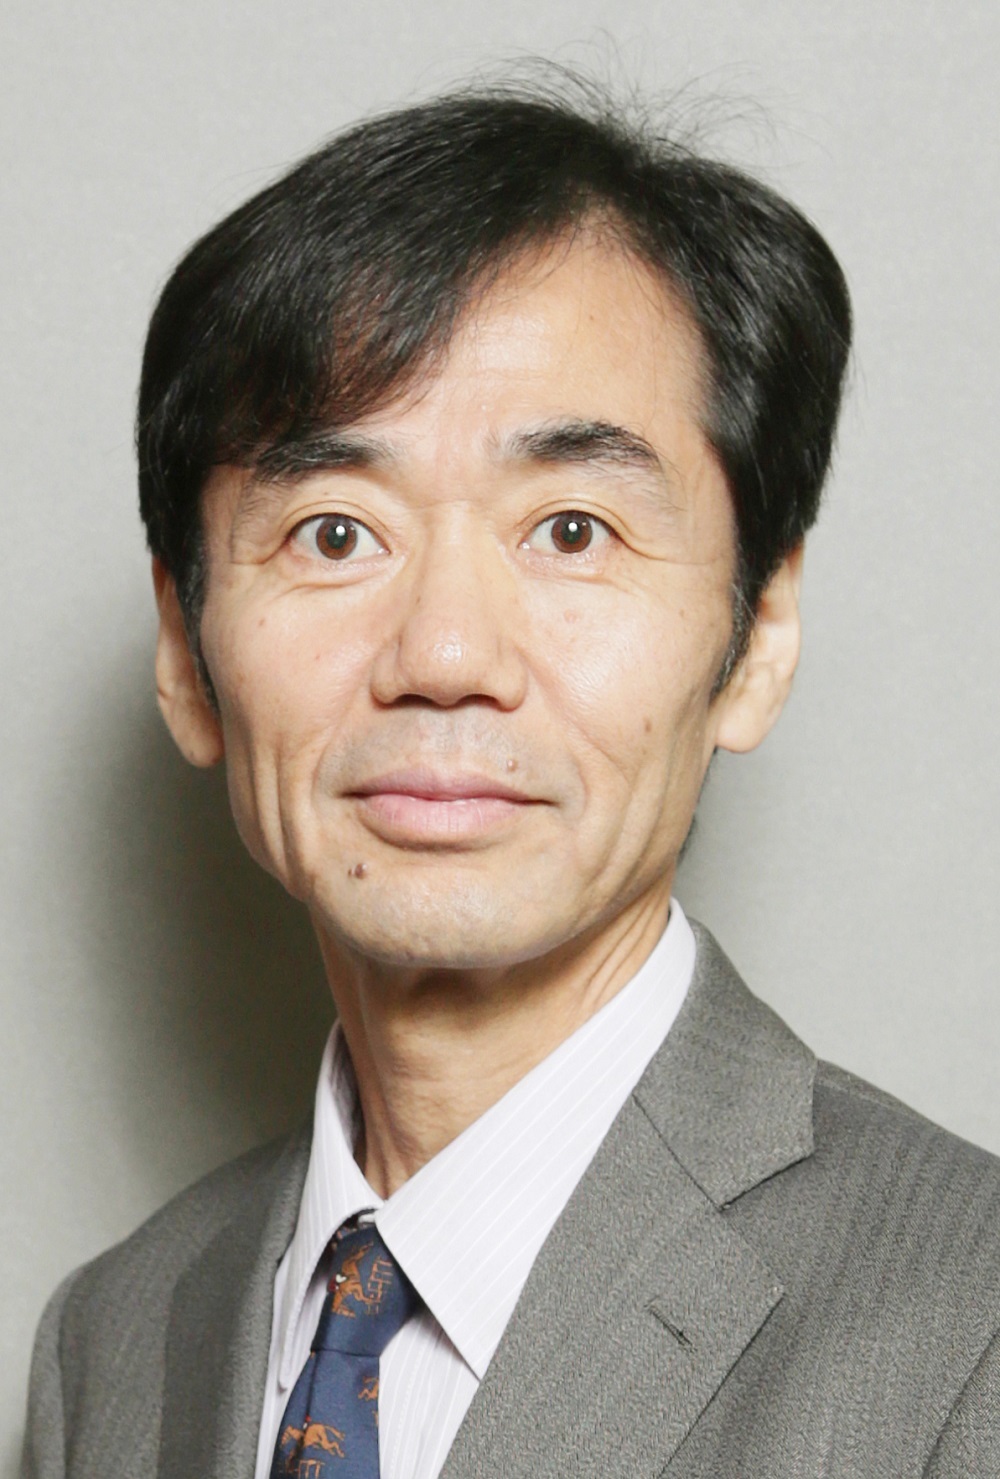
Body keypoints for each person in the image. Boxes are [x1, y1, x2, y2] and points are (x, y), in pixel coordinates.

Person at [22, 78, 1000, 1479]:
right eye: (335, 533)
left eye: (573, 528)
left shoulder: (970, 1328)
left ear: (757, 638)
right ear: (186, 654)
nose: (445, 654)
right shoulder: (110, 1341)